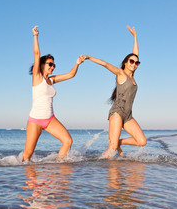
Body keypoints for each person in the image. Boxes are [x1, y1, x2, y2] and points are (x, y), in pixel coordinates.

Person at [23, 26, 85, 162]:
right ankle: (28, 182)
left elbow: (70, 75)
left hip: (50, 119)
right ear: (42, 65)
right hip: (36, 120)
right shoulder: (37, 77)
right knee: (27, 155)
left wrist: (77, 63)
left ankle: (58, 167)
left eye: (53, 65)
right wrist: (35, 36)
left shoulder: (51, 80)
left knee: (68, 141)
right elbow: (36, 54)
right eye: (50, 64)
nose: (52, 66)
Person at [84, 26, 146, 158]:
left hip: (128, 115)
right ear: (125, 63)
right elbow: (105, 64)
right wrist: (89, 57)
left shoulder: (132, 76)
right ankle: (105, 172)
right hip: (117, 113)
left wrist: (135, 36)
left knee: (142, 141)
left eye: (136, 63)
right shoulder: (121, 73)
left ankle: (118, 142)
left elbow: (135, 54)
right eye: (131, 61)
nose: (134, 64)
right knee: (111, 149)